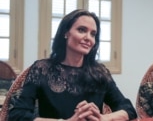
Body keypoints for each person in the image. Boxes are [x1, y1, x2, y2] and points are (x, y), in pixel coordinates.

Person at [8, 9, 137, 121]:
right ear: (66, 33)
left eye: (93, 34)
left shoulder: (100, 72)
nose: (88, 38)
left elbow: (128, 109)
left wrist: (104, 118)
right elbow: (17, 115)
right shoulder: (42, 69)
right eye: (82, 30)